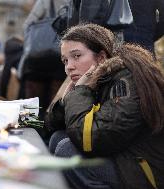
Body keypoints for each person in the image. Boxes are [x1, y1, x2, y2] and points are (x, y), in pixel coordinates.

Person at [46, 24, 164, 189]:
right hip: (121, 156)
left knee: (66, 150)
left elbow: (90, 140)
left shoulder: (125, 81)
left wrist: (80, 92)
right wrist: (67, 100)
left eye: (77, 56)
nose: (69, 66)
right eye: (65, 60)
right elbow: (51, 125)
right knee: (58, 137)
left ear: (101, 58)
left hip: (143, 172)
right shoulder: (99, 80)